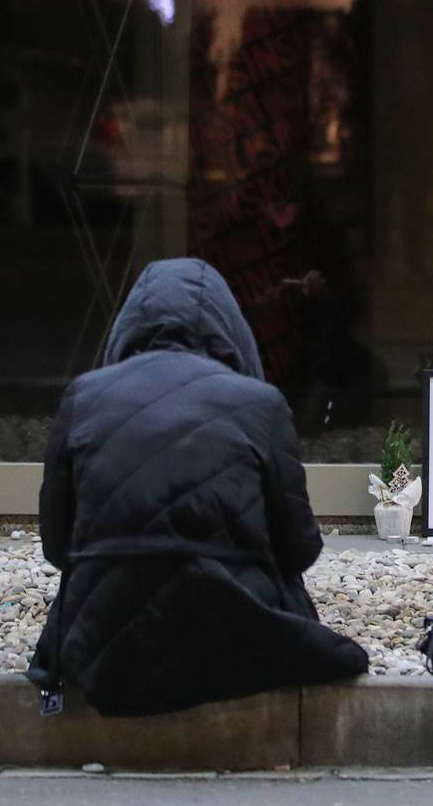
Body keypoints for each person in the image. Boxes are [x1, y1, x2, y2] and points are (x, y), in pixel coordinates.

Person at [29, 257, 368, 717]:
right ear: (230, 327)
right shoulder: (262, 404)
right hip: (242, 637)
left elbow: (57, 546)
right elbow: (299, 549)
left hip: (102, 644)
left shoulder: (84, 397)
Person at [348, 0, 433, 289]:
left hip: (415, 113)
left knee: (414, 194)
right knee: (383, 195)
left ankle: (411, 263)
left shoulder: (426, 3)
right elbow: (355, 30)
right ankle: (383, 264)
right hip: (386, 112)